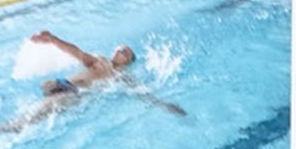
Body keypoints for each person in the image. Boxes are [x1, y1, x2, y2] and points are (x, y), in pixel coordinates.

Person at [29, 30, 184, 116]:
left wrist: (165, 105)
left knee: (29, 119)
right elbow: (78, 53)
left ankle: (6, 129)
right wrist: (54, 40)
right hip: (66, 86)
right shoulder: (102, 61)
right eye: (120, 49)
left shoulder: (123, 77)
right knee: (30, 116)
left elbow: (144, 95)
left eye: (125, 52)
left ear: (128, 62)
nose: (120, 50)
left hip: (72, 94)